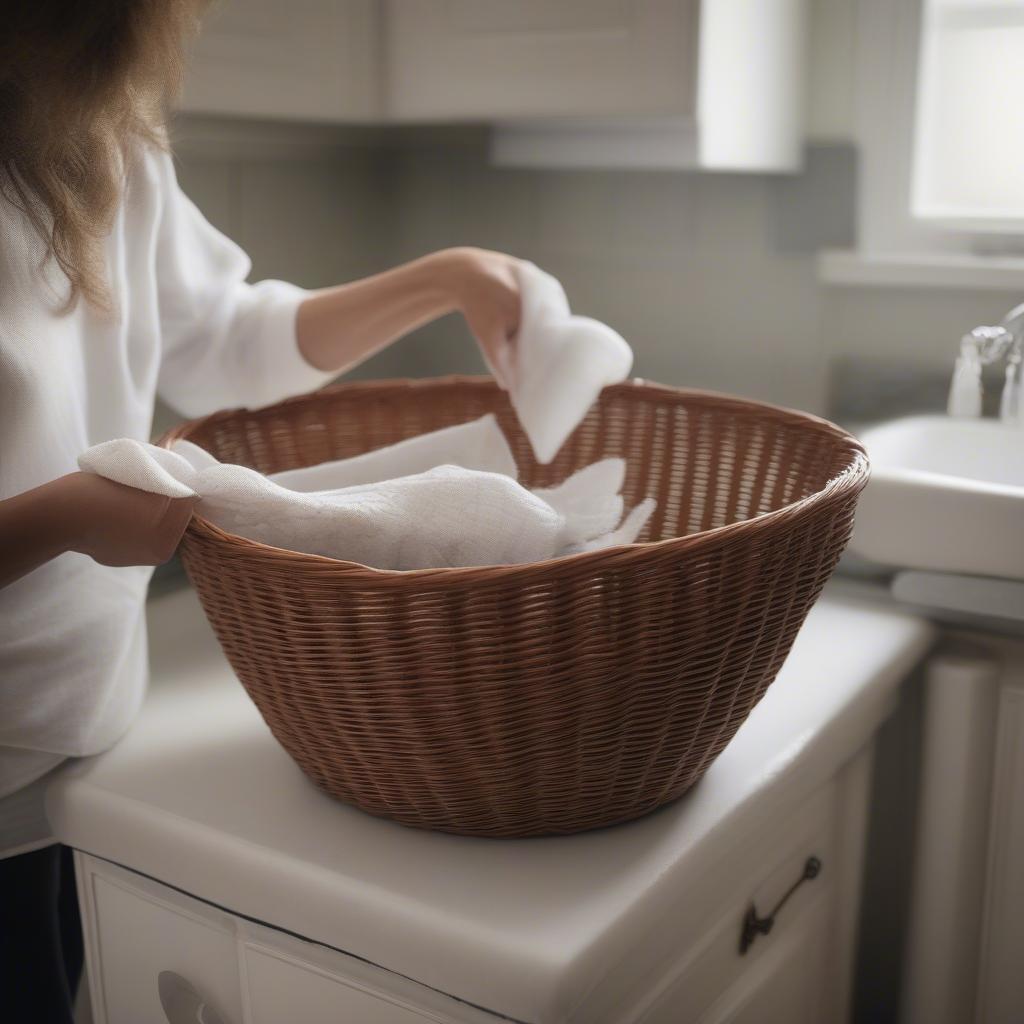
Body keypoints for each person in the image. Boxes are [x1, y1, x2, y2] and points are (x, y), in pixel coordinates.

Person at [0, 3, 522, 1019]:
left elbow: (229, 340)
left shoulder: (102, 135)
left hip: (84, 754)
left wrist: (443, 278)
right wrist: (64, 516)